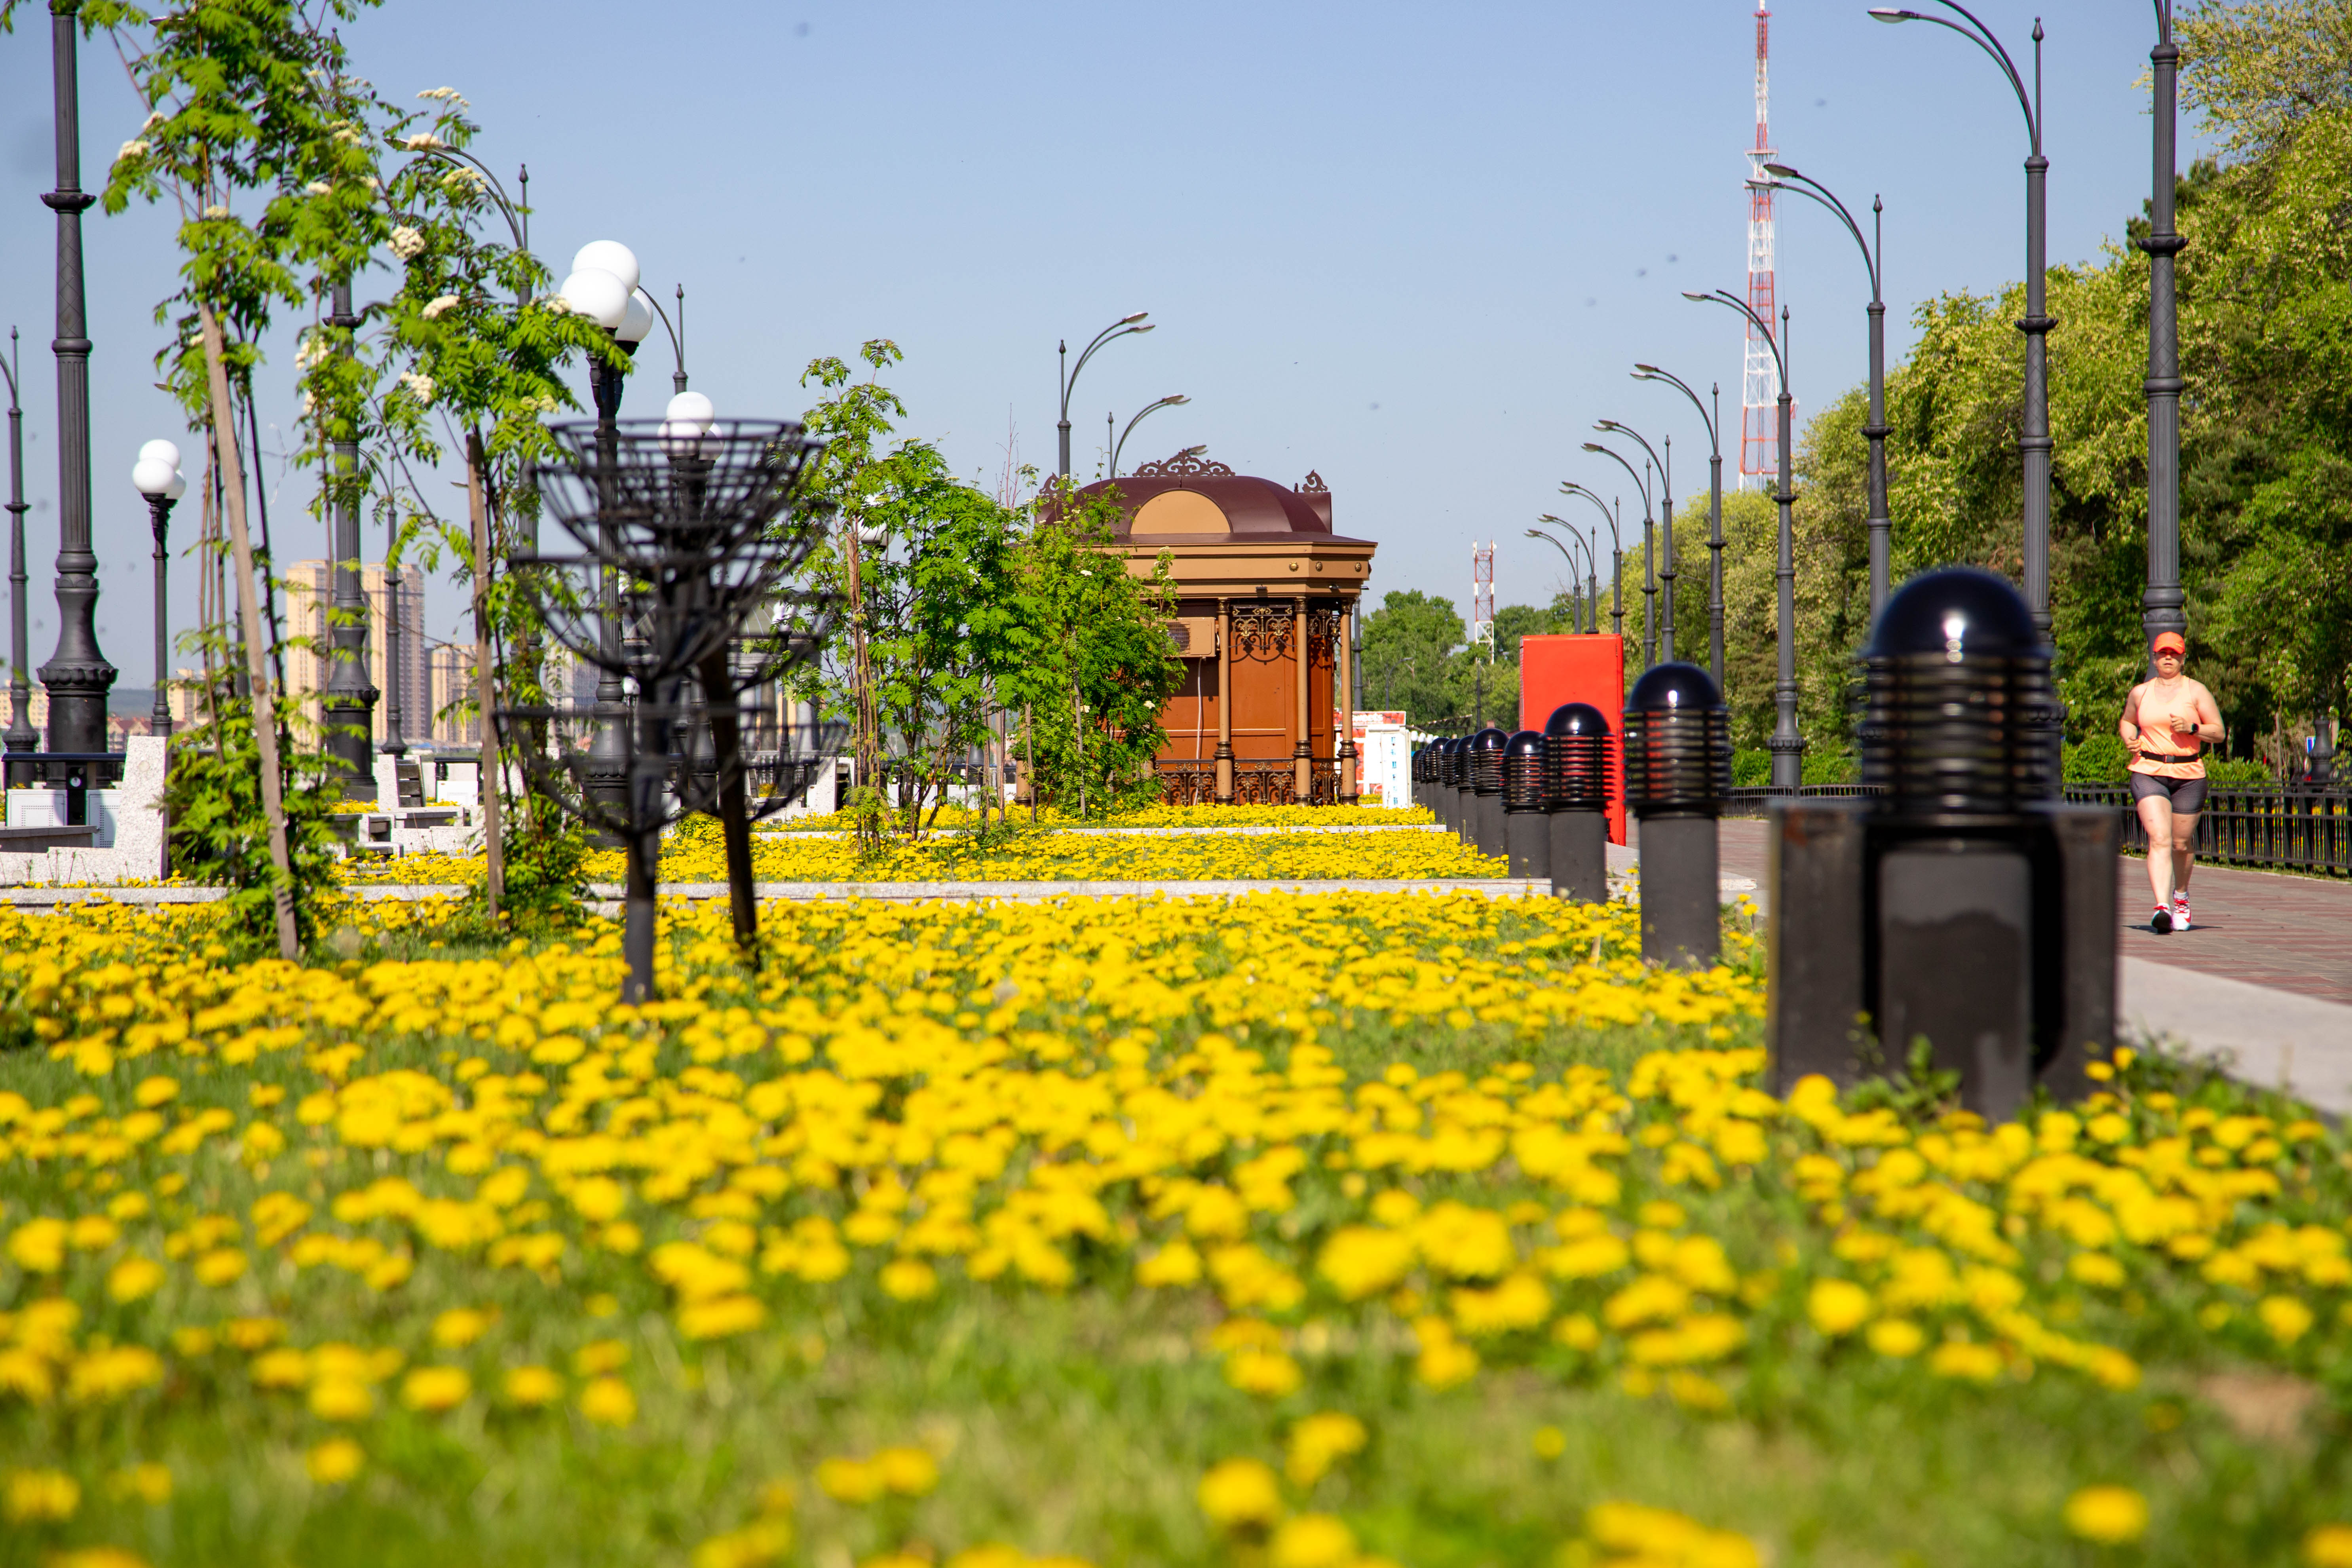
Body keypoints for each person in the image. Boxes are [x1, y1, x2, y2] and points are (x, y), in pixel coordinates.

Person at [2119, 630, 2224, 932]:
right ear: (2154, 657)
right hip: (2148, 769)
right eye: (2163, 653)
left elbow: (2218, 732)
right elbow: (2127, 720)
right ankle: (2161, 906)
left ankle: (2181, 896)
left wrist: (2193, 727)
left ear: (2183, 658)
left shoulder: (2196, 692)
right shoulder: (2141, 693)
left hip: (2189, 774)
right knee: (2160, 838)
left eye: (2174, 654)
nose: (2168, 658)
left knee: (2180, 842)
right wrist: (2130, 738)